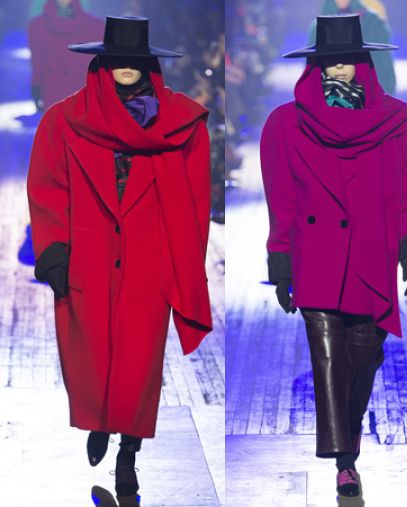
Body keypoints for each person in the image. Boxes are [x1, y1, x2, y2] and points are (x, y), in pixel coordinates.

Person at [26, 16, 213, 504]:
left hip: (152, 259)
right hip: (86, 258)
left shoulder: (181, 124)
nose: (126, 67)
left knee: (139, 362)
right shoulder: (65, 120)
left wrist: (186, 265)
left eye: (135, 59)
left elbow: (196, 201)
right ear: (102, 63)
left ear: (149, 65)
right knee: (89, 357)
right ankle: (99, 422)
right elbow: (48, 187)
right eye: (117, 59)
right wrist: (54, 250)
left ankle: (128, 453)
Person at [260, 14, 407, 499]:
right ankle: (345, 463)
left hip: (371, 256)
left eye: (347, 59)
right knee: (328, 362)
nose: (338, 68)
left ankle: (350, 435)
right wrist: (280, 259)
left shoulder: (400, 123)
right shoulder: (285, 125)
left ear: (364, 64)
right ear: (315, 66)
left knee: (363, 360)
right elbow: (282, 200)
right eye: (329, 60)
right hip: (316, 258)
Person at [27, 0, 104, 112]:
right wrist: (36, 85)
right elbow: (37, 60)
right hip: (55, 93)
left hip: (78, 96)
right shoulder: (37, 26)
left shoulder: (96, 27)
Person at [310, 0, 397, 94]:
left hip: (367, 87)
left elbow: (383, 59)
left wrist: (386, 88)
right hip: (330, 91)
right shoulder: (318, 26)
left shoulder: (372, 22)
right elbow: (312, 65)